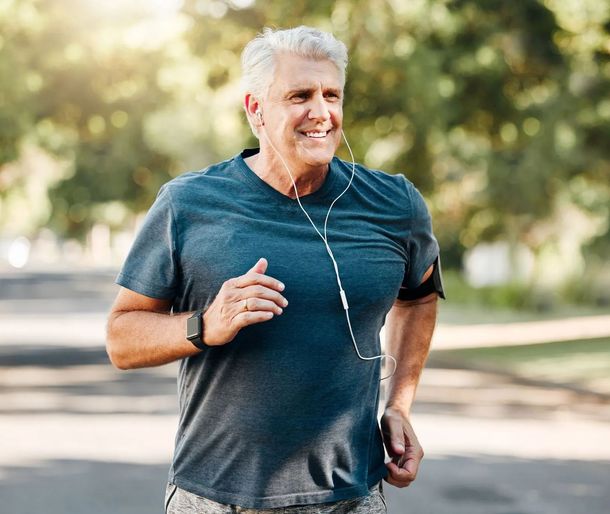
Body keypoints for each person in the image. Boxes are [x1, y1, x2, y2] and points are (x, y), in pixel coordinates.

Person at [106, 25, 444, 514]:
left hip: (351, 496)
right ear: (256, 109)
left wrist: (399, 405)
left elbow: (419, 297)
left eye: (332, 95)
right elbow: (121, 339)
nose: (321, 112)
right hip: (216, 496)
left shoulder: (394, 204)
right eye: (299, 95)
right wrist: (206, 324)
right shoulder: (189, 203)